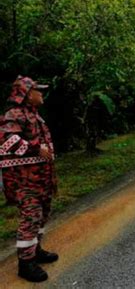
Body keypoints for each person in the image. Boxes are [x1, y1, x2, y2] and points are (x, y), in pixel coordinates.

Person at [0, 76, 58, 283]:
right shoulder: (14, 114)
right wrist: (35, 148)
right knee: (31, 216)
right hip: (25, 180)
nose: (41, 93)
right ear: (25, 94)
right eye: (37, 90)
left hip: (41, 178)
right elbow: (7, 141)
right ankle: (25, 263)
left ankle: (35, 250)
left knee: (42, 215)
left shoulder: (34, 114)